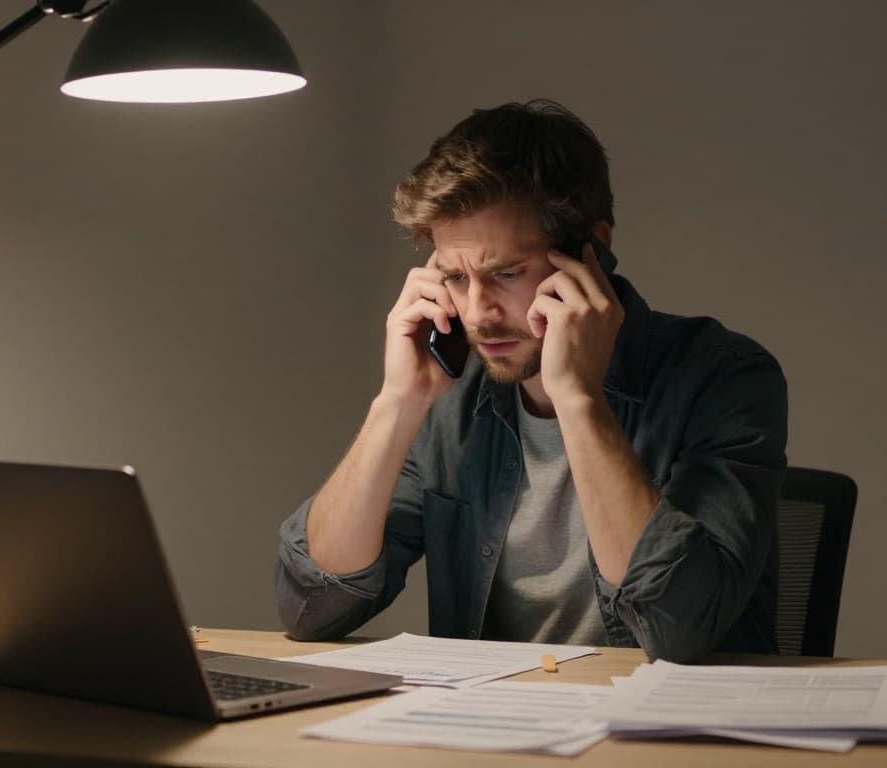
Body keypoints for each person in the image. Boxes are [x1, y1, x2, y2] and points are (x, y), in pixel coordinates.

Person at [275, 100, 787, 662]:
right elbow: (313, 609)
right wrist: (397, 402)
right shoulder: (449, 401)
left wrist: (578, 398)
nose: (477, 312)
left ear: (593, 249)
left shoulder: (725, 376)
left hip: (670, 734)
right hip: (497, 732)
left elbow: (677, 630)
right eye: (454, 277)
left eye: (507, 273)